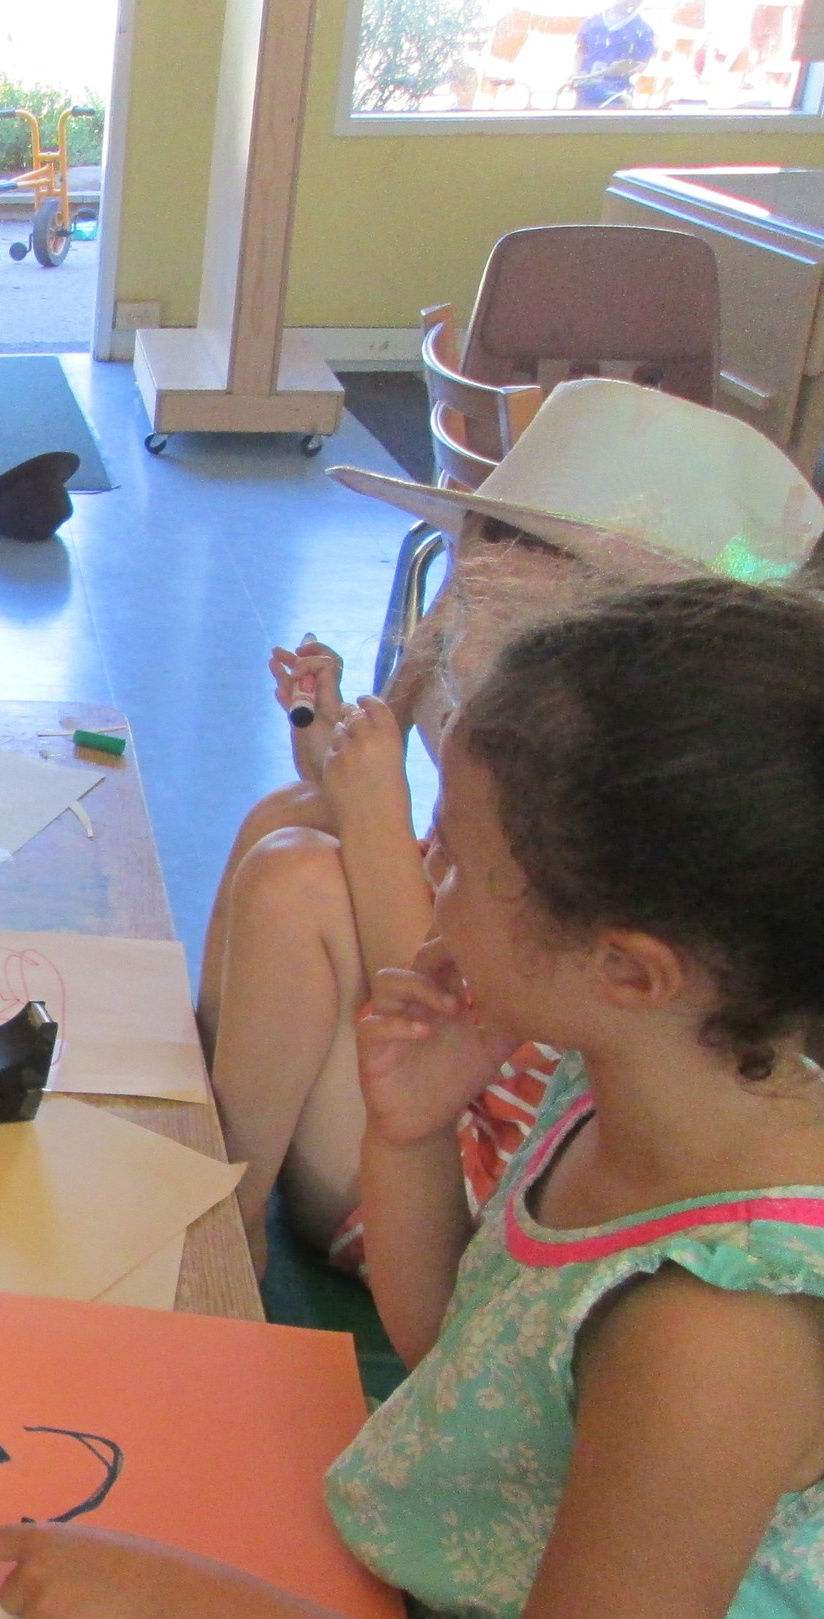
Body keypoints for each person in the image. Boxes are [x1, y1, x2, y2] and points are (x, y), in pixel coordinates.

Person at [0, 577, 824, 1619]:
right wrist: (413, 1132)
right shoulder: (638, 1079)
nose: (428, 879)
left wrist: (168, 1598)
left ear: (632, 965)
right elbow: (459, 1353)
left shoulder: (715, 1330)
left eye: (464, 861)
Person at [199, 377, 824, 1274]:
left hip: (466, 1174)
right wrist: (341, 772)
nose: (464, 619)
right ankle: (210, 1118)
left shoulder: (641, 847)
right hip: (443, 1102)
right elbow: (461, 889)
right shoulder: (579, 760)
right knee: (296, 814)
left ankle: (227, 1227)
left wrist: (373, 809)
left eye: (503, 596)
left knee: (300, 870)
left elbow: (460, 978)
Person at [576, 0, 657, 107]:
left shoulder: (642, 29)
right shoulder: (592, 21)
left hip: (618, 96)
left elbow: (643, 63)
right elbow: (581, 50)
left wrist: (624, 68)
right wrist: (576, 74)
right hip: (587, 92)